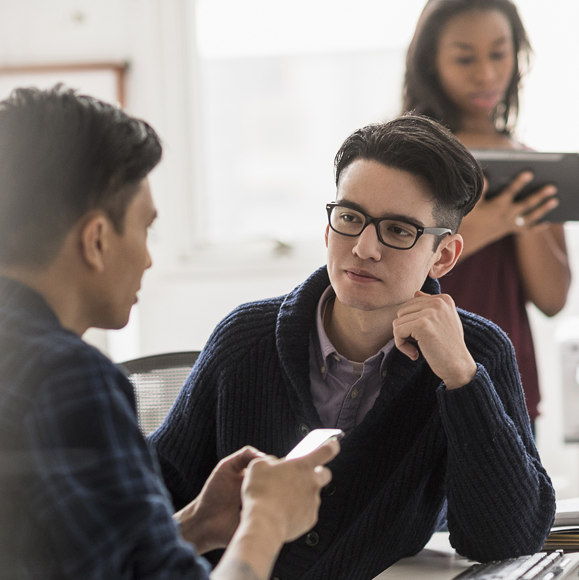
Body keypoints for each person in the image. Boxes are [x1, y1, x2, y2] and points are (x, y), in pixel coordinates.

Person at [0, 85, 339, 580]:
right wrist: (267, 519)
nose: (148, 257)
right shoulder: (70, 382)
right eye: (146, 229)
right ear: (97, 240)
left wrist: (197, 524)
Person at [149, 115, 555, 580]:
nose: (363, 248)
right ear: (328, 229)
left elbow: (508, 540)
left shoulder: (475, 352)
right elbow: (148, 499)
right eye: (349, 218)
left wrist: (462, 380)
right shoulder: (244, 340)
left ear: (442, 255)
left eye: (399, 231)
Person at [402, 0, 571, 430]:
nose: (486, 74)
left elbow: (552, 300)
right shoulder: (402, 158)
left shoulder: (534, 166)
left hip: (505, 389)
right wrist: (495, 221)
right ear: (431, 62)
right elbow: (394, 262)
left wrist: (522, 220)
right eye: (464, 57)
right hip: (413, 386)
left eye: (499, 53)